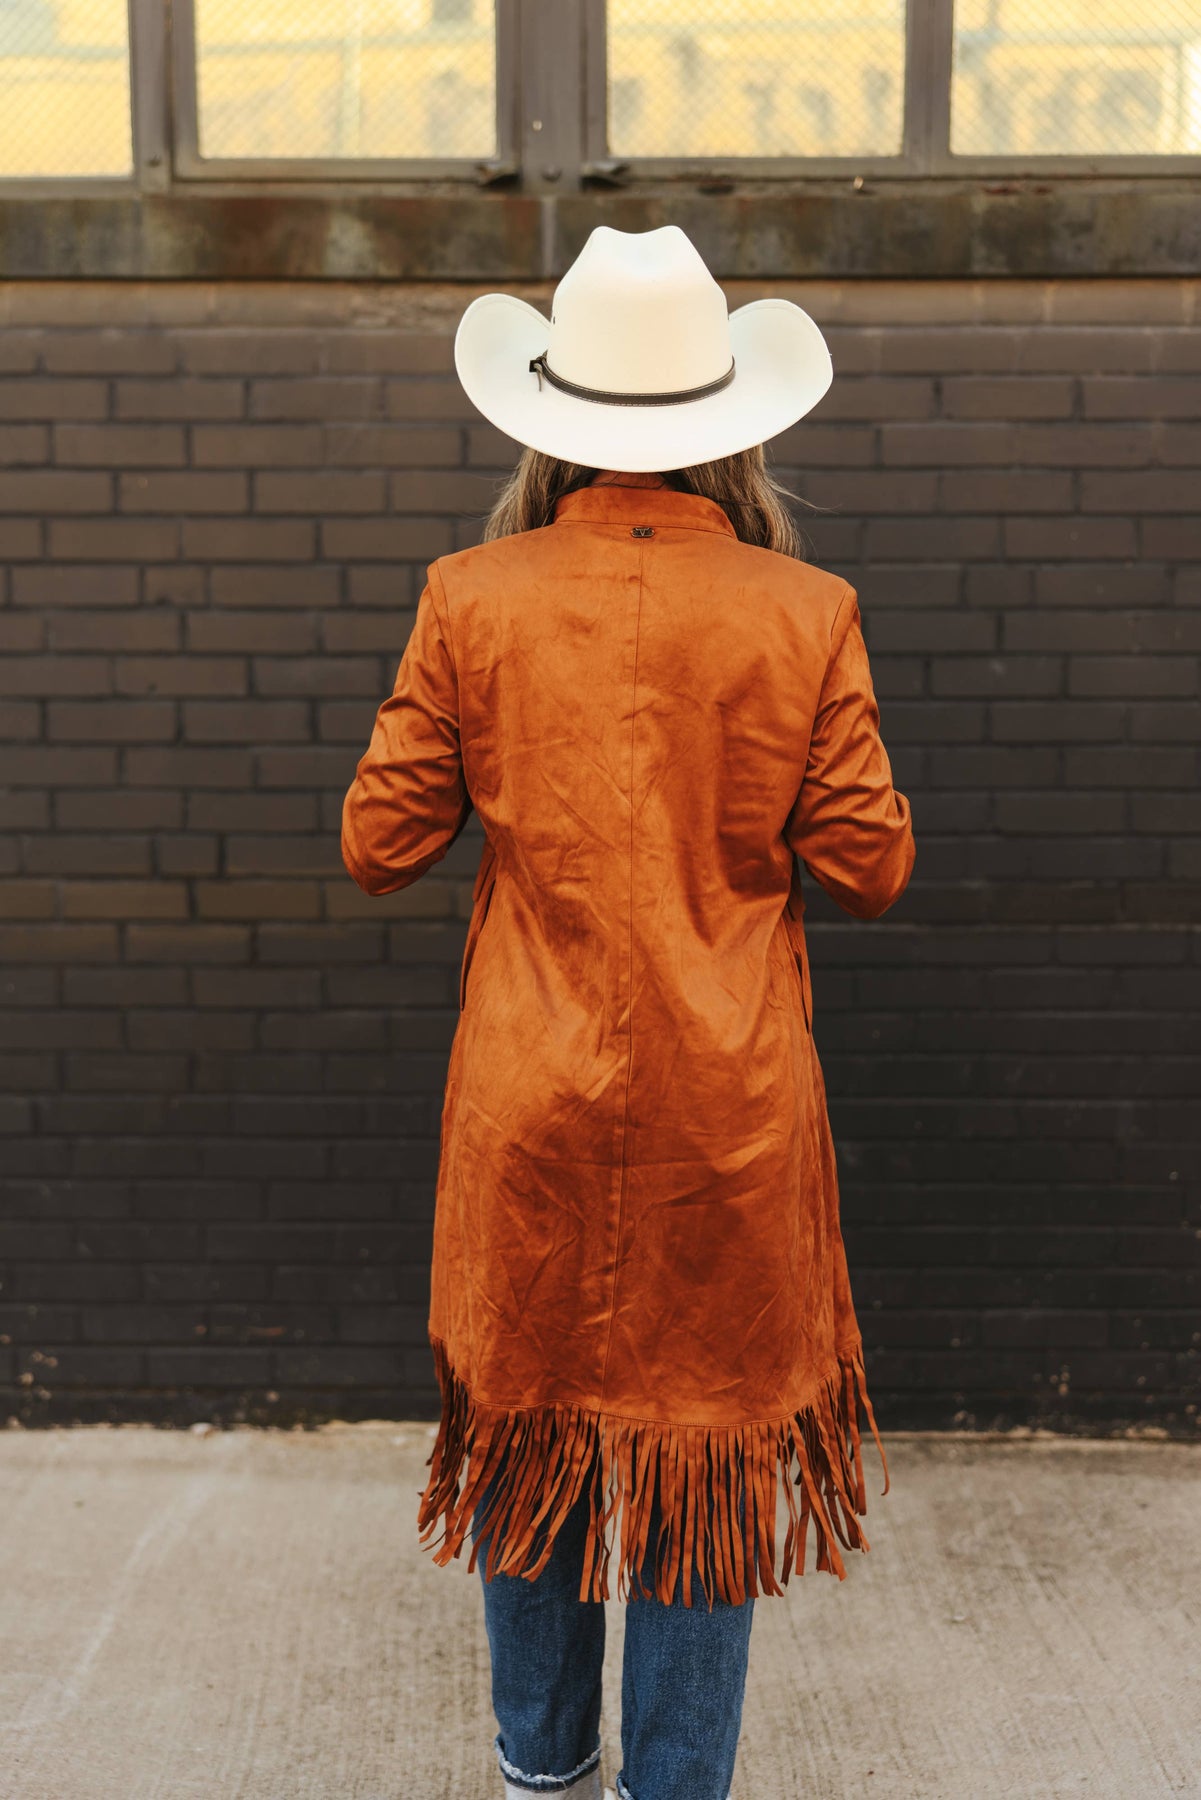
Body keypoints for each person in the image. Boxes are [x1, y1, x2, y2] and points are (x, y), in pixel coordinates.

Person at [341, 224, 916, 1800]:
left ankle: (542, 1775)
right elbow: (869, 867)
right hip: (724, 1112)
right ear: (730, 425)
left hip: (528, 1098)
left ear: (550, 420)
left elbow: (378, 842)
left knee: (528, 1434)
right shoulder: (804, 609)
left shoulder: (470, 597)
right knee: (699, 1463)